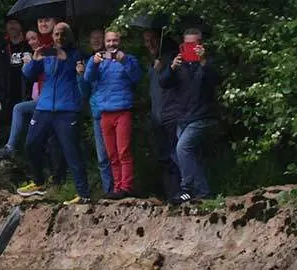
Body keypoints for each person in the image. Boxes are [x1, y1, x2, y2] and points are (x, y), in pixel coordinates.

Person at [16, 21, 91, 206]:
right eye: (56, 34)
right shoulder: (47, 52)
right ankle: (39, 182)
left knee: (71, 151)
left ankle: (84, 193)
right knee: (31, 144)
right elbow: (28, 74)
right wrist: (34, 59)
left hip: (67, 109)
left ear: (69, 36)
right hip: (44, 107)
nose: (59, 37)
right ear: (53, 36)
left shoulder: (77, 55)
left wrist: (81, 73)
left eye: (63, 34)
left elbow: (85, 84)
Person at [160, 27, 219, 204]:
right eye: (188, 44)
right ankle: (202, 190)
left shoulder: (208, 63)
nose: (192, 47)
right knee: (182, 154)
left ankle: (188, 189)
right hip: (183, 117)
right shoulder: (178, 65)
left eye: (195, 44)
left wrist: (203, 61)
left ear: (201, 44)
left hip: (202, 116)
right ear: (182, 46)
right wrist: (171, 68)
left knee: (183, 149)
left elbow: (215, 81)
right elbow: (163, 83)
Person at [83, 30, 142, 198]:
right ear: (104, 42)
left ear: (120, 41)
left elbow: (136, 77)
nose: (111, 44)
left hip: (123, 110)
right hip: (104, 112)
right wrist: (93, 63)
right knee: (111, 154)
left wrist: (124, 61)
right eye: (108, 41)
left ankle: (126, 186)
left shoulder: (128, 58)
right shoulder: (98, 60)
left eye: (114, 40)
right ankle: (117, 187)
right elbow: (88, 79)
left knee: (124, 151)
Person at [144, 27, 182, 200]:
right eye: (146, 40)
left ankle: (183, 191)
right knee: (164, 158)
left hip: (171, 114)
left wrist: (162, 69)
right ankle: (171, 194)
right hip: (157, 116)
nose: (150, 44)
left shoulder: (172, 59)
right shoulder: (153, 62)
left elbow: (168, 81)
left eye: (153, 39)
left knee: (176, 155)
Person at [0, 18, 31, 147]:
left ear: (21, 25)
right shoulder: (0, 47)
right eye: (9, 23)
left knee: (25, 135)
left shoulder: (30, 45)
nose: (12, 26)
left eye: (15, 22)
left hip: (26, 98)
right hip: (4, 98)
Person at [78, 28, 114, 195]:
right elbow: (84, 92)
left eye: (99, 37)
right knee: (102, 157)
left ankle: (120, 189)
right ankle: (108, 191)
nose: (96, 40)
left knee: (117, 154)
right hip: (97, 111)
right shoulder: (87, 61)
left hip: (114, 109)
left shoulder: (114, 58)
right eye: (93, 38)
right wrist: (80, 74)